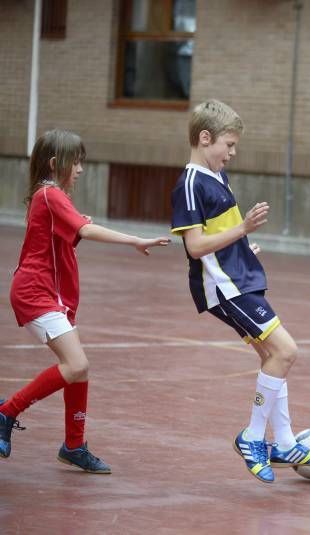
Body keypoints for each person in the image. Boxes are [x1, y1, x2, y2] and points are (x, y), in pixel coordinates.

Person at [170, 99, 310, 485]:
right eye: (229, 144)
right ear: (205, 138)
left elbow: (215, 237)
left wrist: (240, 248)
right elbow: (194, 246)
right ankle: (253, 437)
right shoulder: (189, 183)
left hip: (237, 276)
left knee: (271, 356)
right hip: (224, 287)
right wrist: (242, 232)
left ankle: (286, 441)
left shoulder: (216, 176)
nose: (233, 152)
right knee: (286, 350)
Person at [0, 129, 170, 472]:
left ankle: (74, 445)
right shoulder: (50, 194)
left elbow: (68, 232)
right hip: (36, 293)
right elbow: (86, 231)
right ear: (54, 163)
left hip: (48, 294)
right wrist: (136, 240)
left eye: (82, 162)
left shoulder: (52, 197)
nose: (80, 168)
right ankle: (6, 412)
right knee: (75, 365)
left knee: (81, 369)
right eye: (75, 161)